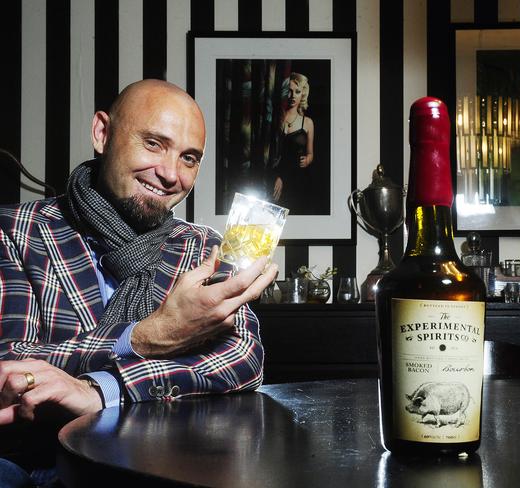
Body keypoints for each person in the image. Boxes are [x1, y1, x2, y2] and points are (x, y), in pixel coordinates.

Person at [0, 79, 277, 485]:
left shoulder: (203, 247)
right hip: (34, 461)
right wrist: (146, 337)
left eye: (188, 158)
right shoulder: (15, 231)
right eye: (153, 144)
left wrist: (102, 389)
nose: (170, 174)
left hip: (157, 462)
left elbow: (242, 359)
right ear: (102, 133)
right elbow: (10, 363)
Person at [272, 72, 315, 214]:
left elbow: (310, 153)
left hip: (298, 179)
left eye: (297, 92)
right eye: (289, 91)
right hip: (276, 176)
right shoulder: (276, 118)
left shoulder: (307, 122)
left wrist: (308, 159)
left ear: (303, 94)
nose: (293, 96)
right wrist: (278, 176)